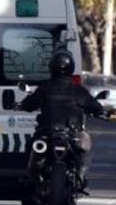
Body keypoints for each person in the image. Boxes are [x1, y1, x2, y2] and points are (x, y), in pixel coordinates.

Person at [17, 50, 104, 193]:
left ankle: (31, 177)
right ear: (71, 68)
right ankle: (81, 179)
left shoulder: (45, 87)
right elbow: (95, 106)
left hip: (47, 133)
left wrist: (22, 106)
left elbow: (29, 104)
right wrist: (101, 112)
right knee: (84, 145)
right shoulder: (77, 90)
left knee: (32, 145)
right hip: (71, 133)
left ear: (52, 67)